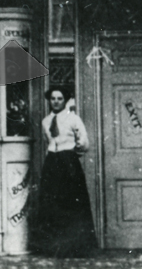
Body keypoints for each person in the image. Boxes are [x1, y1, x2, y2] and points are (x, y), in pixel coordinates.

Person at [34, 87, 97, 258]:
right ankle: (52, 248)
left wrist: (70, 155)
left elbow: (84, 142)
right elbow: (49, 140)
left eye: (59, 98)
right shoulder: (46, 121)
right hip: (52, 162)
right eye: (53, 98)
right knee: (52, 203)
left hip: (68, 163)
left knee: (71, 203)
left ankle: (75, 247)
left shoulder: (73, 118)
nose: (55, 102)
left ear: (65, 100)